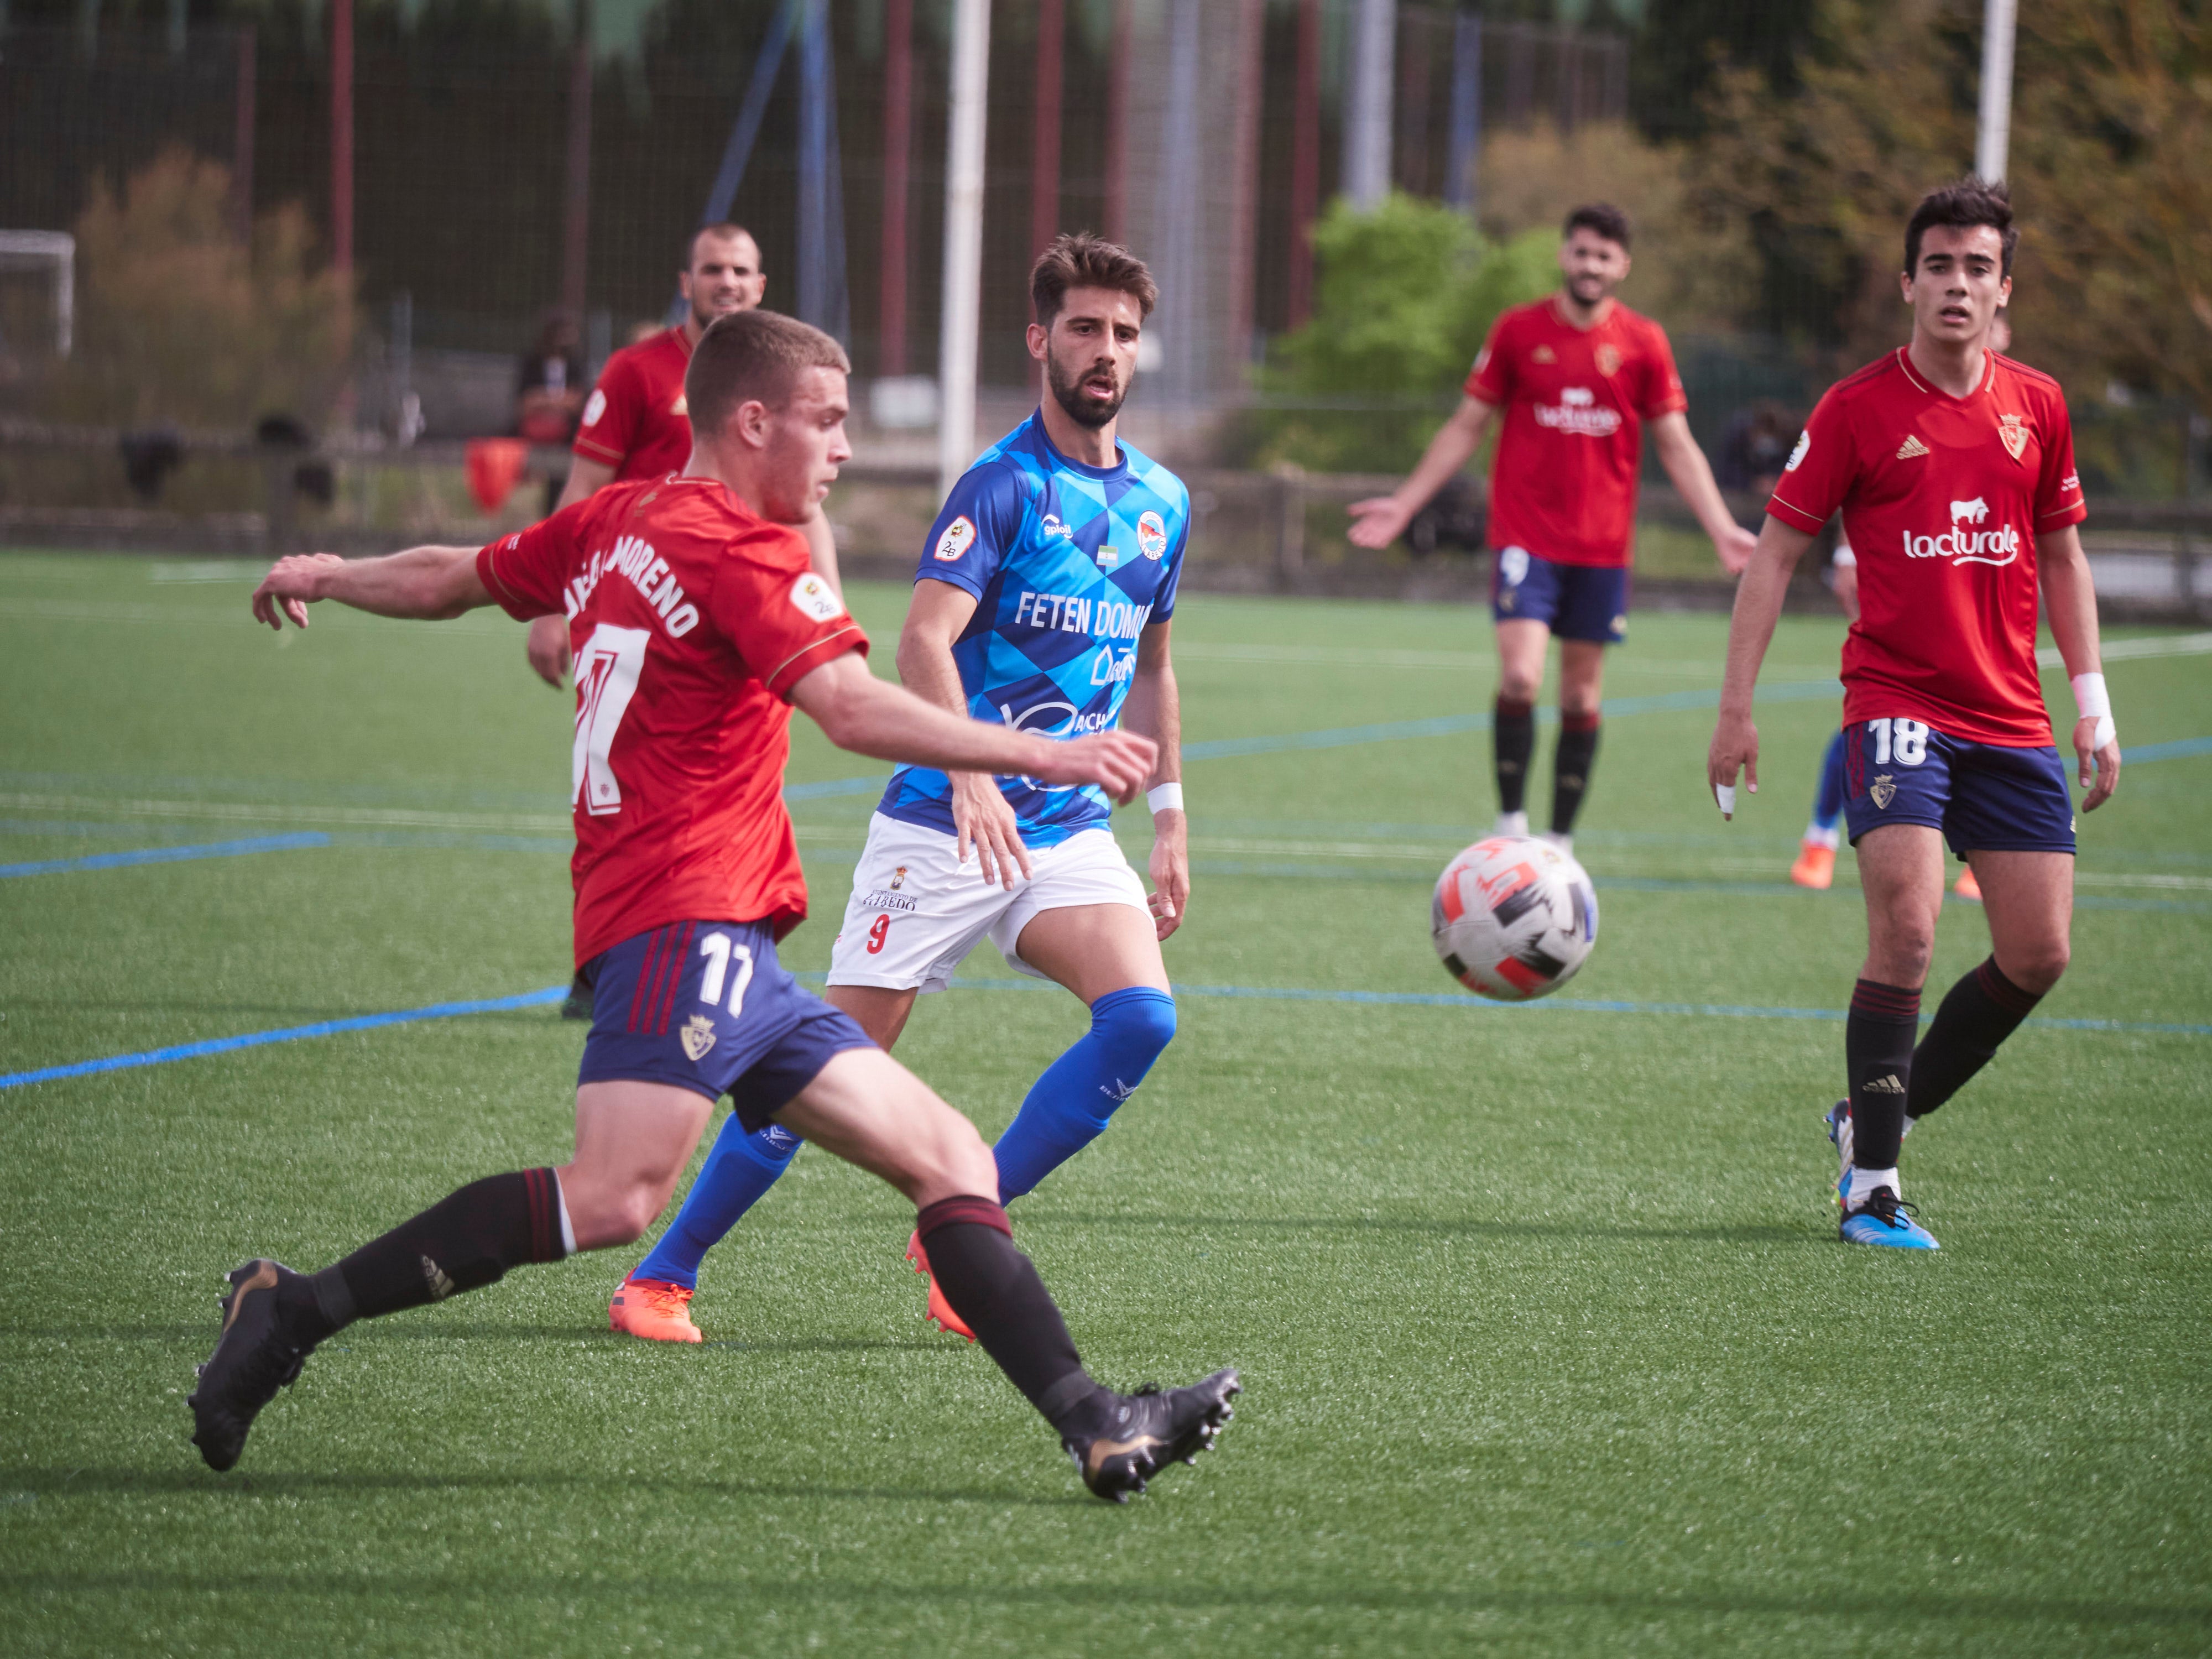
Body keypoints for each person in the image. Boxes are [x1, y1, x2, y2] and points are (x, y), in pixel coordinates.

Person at [191, 309, 1239, 1501]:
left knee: (951, 1158)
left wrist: (331, 572)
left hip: (725, 939)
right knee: (612, 1196)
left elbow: (458, 578)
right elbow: (849, 709)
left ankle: (1097, 1425)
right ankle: (290, 1313)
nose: (844, 453)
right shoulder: (738, 552)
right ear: (753, 421)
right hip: (679, 920)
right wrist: (1039, 758)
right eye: (829, 424)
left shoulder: (614, 519)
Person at [608, 233, 1192, 1347]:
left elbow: (1156, 667)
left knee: (1141, 1018)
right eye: (1083, 327)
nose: (1104, 349)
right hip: (941, 825)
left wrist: (1168, 821)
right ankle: (662, 1272)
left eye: (1121, 332)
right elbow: (924, 641)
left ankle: (960, 1226)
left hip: (1066, 829)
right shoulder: (1003, 483)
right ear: (1039, 340)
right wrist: (967, 770)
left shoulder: (1162, 501)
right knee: (820, 1073)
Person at [1706, 180, 2119, 1251]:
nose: (1955, 284)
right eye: (1937, 265)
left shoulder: (2038, 406)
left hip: (2011, 715)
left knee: (2038, 953)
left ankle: (1866, 1119)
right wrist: (1734, 709)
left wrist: (2091, 704)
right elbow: (1776, 555)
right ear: (1906, 282)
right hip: (1893, 704)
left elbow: (2065, 555)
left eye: (1975, 267)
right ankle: (1871, 1187)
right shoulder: (1854, 409)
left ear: (2001, 288)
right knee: (1908, 926)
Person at [1348, 203, 1755, 851]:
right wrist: (1404, 504)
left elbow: (1676, 444)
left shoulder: (1643, 343)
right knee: (1520, 679)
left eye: (1604, 256)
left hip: (1600, 548)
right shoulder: (1517, 331)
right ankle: (1511, 825)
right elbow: (1466, 425)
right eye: (1581, 252)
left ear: (1621, 266)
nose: (1590, 265)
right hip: (1524, 538)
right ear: (1565, 256)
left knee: (1580, 697)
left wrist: (1721, 528)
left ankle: (1560, 842)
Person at [536, 223, 843, 1021]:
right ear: (687, 281)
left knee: (745, 770)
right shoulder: (638, 372)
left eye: (742, 270)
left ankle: (729, 947)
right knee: (628, 779)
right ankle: (612, 955)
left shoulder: (778, 373)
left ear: (762, 283)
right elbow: (583, 488)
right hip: (647, 609)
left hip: (750, 606)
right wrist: (548, 601)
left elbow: (805, 504)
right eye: (713, 270)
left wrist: (830, 606)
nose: (728, 283)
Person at [1790, 314, 2013, 902]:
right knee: (1868, 726)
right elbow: (1866, 490)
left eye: (1997, 325)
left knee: (1994, 733)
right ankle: (1819, 838)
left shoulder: (2022, 407)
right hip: (1906, 616)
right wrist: (1844, 556)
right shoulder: (1891, 399)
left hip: (1987, 627)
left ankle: (1983, 853)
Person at [516, 313, 587, 515]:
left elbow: (578, 402)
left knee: (569, 460)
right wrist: (559, 401)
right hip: (535, 427)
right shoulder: (532, 363)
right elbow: (525, 402)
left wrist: (544, 400)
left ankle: (557, 513)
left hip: (566, 431)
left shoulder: (576, 365)